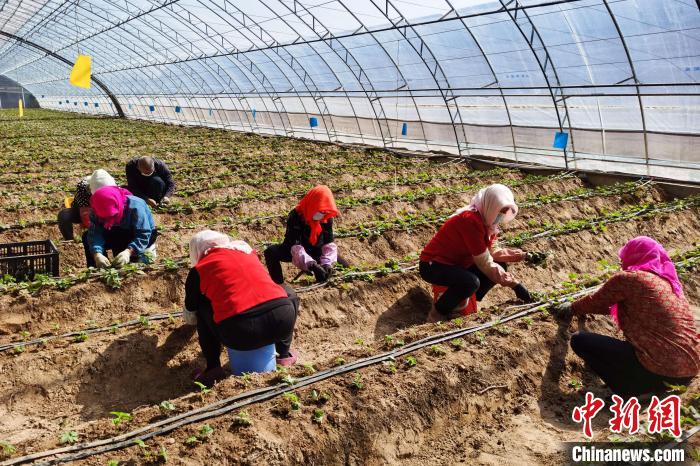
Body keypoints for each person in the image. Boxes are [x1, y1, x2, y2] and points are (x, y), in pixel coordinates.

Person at [552, 236, 699, 398]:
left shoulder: (629, 278)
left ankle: (635, 390)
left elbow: (596, 301)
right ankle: (653, 384)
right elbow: (624, 306)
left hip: (660, 371)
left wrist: (571, 308)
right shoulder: (669, 283)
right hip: (689, 370)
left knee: (580, 340)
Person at [184, 230, 299, 386]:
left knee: (202, 306)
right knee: (287, 293)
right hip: (282, 322)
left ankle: (213, 369)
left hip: (241, 333)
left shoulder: (199, 270)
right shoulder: (247, 253)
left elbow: (191, 311)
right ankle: (283, 355)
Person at [419, 183, 533, 322]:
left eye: (504, 212)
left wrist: (520, 255)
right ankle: (436, 314)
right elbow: (484, 262)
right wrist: (515, 285)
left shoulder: (489, 223)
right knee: (470, 282)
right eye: (500, 211)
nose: (500, 216)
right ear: (491, 205)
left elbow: (494, 251)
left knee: (500, 264)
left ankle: (463, 299)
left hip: (458, 264)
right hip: (434, 265)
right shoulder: (470, 221)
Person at [264, 185, 345, 284]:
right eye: (320, 210)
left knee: (345, 267)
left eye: (325, 211)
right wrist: (312, 265)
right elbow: (295, 247)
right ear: (313, 204)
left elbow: (329, 243)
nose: (322, 214)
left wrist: (327, 264)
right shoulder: (296, 216)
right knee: (270, 252)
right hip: (293, 250)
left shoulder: (326, 217)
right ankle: (279, 285)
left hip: (316, 250)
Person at [82, 185, 157, 268]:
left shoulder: (136, 207)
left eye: (112, 215)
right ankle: (99, 267)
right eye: (104, 217)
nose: (109, 219)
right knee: (87, 236)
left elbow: (143, 234)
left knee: (138, 263)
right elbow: (95, 233)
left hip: (143, 234)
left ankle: (137, 255)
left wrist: (129, 252)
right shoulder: (96, 210)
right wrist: (97, 254)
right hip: (117, 232)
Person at [57, 169, 116, 241]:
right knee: (64, 215)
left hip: (103, 211)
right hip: (83, 208)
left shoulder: (113, 187)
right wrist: (95, 233)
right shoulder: (83, 187)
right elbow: (85, 213)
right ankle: (70, 240)